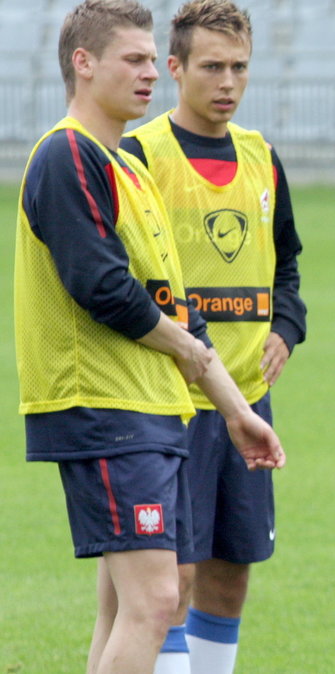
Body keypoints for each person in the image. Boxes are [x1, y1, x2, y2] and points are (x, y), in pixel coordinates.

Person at [13, 2, 285, 673]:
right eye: (133, 60)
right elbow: (105, 290)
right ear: (84, 64)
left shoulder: (125, 169)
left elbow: (178, 306)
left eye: (147, 60)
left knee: (121, 607)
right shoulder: (67, 154)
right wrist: (199, 360)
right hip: (106, 409)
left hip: (151, 411)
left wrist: (235, 409)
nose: (148, 75)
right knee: (158, 598)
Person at [119, 1, 306, 671]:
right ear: (174, 68)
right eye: (211, 67)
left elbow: (287, 265)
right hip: (168, 404)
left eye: (239, 68)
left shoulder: (262, 158)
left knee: (231, 573)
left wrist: (287, 325)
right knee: (173, 580)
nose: (227, 82)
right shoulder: (139, 155)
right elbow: (120, 277)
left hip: (248, 399)